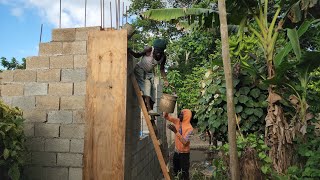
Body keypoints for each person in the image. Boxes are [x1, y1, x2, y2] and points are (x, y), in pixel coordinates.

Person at [128, 39, 169, 116]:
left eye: (160, 52)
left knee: (153, 89)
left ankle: (151, 108)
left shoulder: (163, 57)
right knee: (147, 86)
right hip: (139, 69)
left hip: (148, 72)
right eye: (157, 51)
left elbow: (162, 69)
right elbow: (137, 55)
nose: (158, 54)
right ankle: (149, 109)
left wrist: (166, 80)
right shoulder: (149, 49)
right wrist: (130, 51)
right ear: (154, 48)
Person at [163, 109, 193, 180]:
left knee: (184, 173)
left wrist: (176, 132)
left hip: (184, 154)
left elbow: (185, 142)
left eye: (182, 114)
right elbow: (166, 116)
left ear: (186, 116)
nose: (180, 115)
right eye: (180, 114)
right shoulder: (177, 121)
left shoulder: (190, 128)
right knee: (176, 171)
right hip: (177, 152)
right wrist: (168, 107)